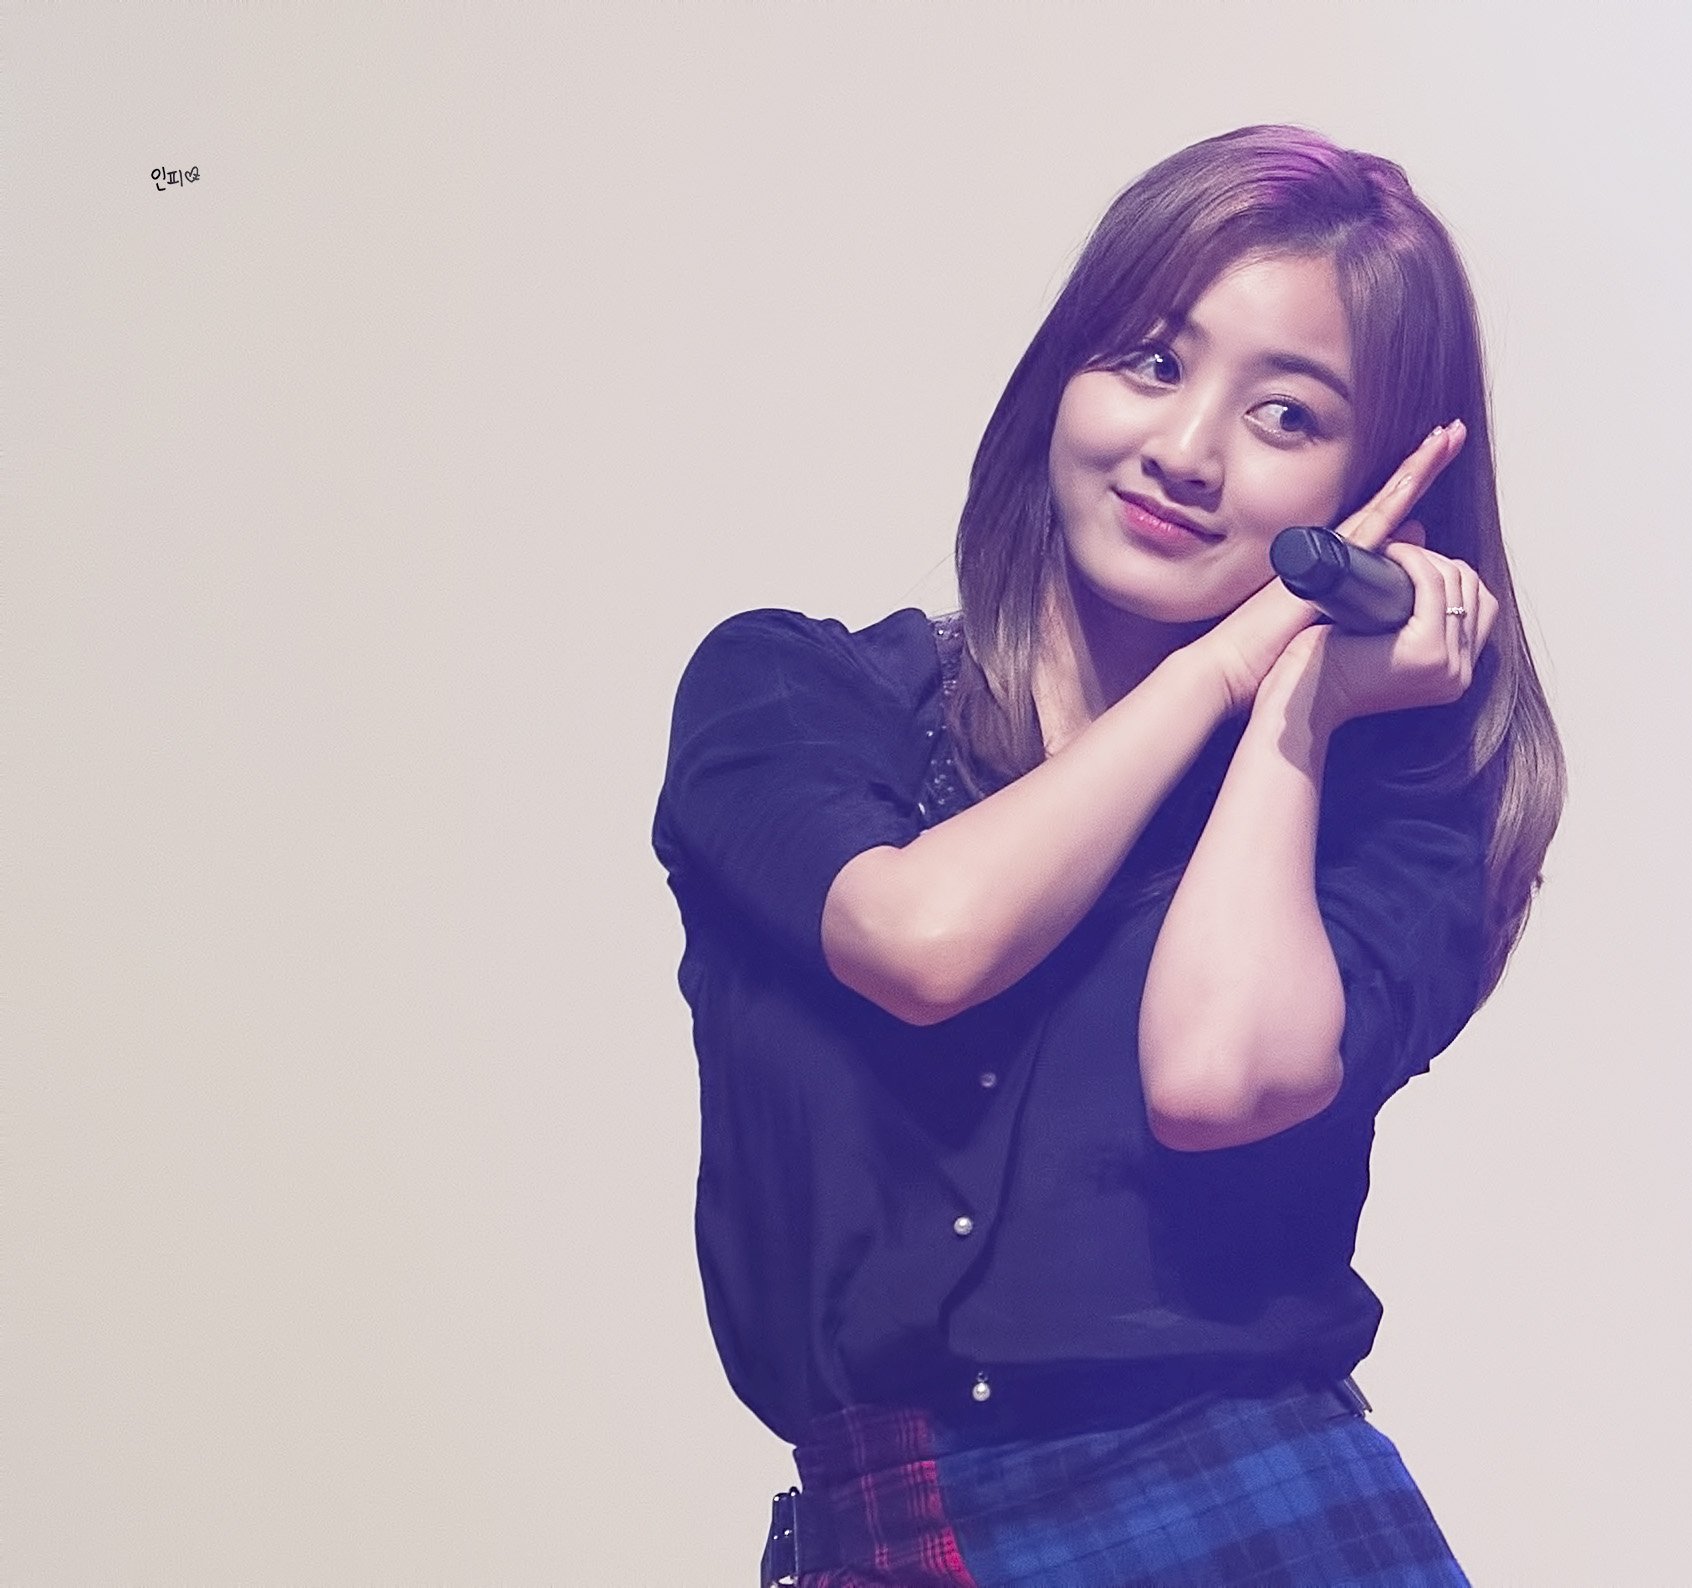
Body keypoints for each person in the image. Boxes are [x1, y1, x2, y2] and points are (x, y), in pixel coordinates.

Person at [654, 124, 1564, 1587]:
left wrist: (1296, 703)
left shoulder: (1399, 803)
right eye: (1150, 361)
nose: (1184, 453)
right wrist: (1220, 668)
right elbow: (924, 941)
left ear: (1378, 489)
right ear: (1062, 374)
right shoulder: (792, 693)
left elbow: (1213, 1078)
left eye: (1285, 417)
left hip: (1257, 1517)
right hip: (883, 1535)